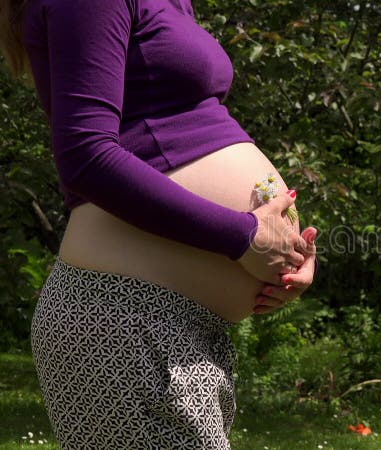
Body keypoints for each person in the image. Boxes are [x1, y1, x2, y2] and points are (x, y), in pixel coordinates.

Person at [1, 0, 317, 447]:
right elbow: (85, 156)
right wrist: (242, 236)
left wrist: (288, 250)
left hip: (175, 325)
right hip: (121, 318)